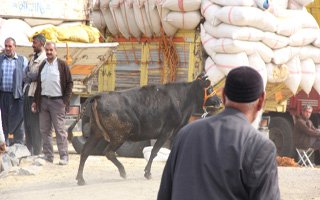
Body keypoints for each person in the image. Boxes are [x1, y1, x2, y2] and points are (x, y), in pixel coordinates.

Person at [158, 66, 280, 200]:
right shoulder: (260, 147)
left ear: (223, 95)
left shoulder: (185, 134)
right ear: (261, 100)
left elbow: (165, 194)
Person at [31, 41, 73, 165]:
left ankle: (64, 156)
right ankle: (48, 155)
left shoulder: (62, 65)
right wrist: (35, 101)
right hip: (44, 101)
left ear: (55, 51)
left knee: (60, 130)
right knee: (45, 130)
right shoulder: (43, 64)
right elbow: (39, 85)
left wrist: (64, 101)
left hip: (58, 102)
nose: (49, 52)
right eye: (47, 50)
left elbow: (70, 83)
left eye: (51, 50)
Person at [0, 37, 28, 146]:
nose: (7, 48)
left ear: (14, 47)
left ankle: (19, 142)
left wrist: (23, 93)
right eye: (6, 46)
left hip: (16, 96)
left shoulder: (22, 60)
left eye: (10, 46)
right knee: (4, 119)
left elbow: (26, 78)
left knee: (18, 120)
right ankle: (6, 142)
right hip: (3, 95)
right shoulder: (0, 59)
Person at [23, 34, 47, 155]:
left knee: (35, 125)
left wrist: (32, 76)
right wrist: (31, 76)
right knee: (27, 123)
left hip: (36, 95)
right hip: (28, 92)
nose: (33, 45)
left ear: (41, 43)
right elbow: (27, 74)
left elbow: (39, 76)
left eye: (35, 43)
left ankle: (37, 152)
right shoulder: (33, 57)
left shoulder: (45, 58)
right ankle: (29, 150)